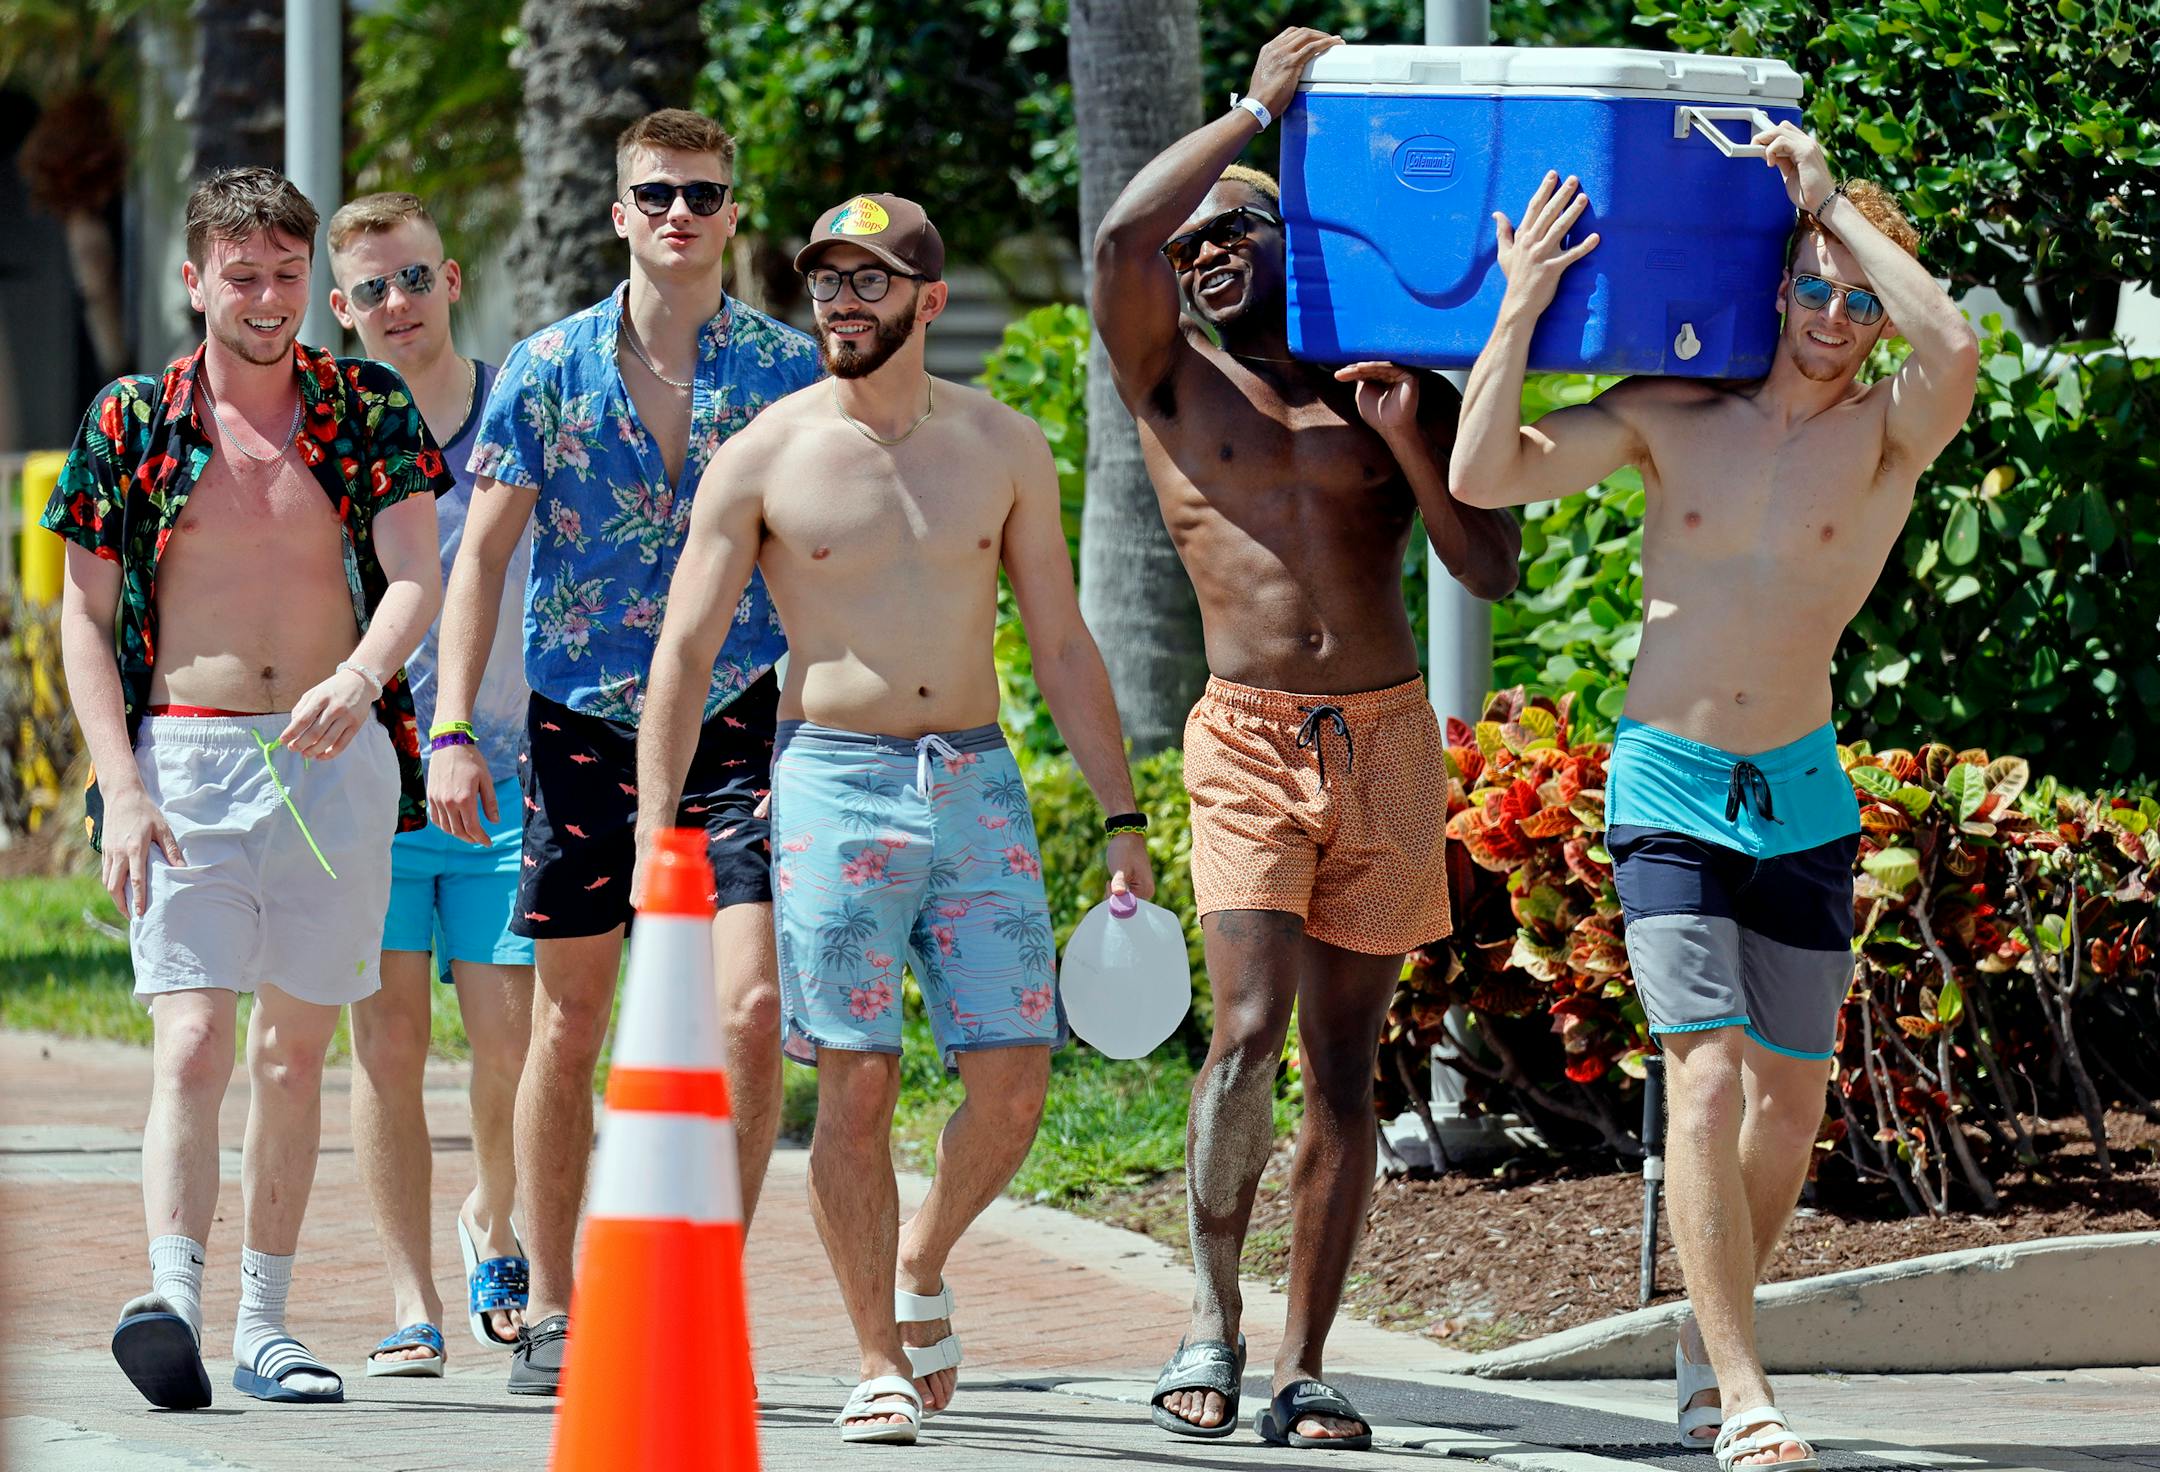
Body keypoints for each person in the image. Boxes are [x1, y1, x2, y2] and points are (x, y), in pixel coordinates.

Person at [1447, 127, 1977, 1468]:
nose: (1836, 319)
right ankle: (1744, 1392)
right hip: (1668, 779)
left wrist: (1833, 212)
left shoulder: (1887, 437)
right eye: (1814, 286)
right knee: (1707, 1078)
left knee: (1790, 1107)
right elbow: (1483, 473)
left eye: (1859, 298)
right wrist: (1515, 308)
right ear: (1773, 285)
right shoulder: (1672, 414)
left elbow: (1955, 348)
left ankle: (1708, 1329)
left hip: (1802, 790)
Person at [636, 191, 1156, 1445]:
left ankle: (920, 1259)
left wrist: (1124, 814)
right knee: (857, 1085)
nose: (841, 302)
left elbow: (1065, 640)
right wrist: (663, 829)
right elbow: (685, 647)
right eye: (827, 280)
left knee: (1017, 1079)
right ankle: (874, 1350)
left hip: (976, 780)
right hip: (832, 780)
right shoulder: (763, 453)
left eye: (870, 282)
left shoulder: (1003, 447)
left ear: (928, 301)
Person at [1090, 26, 1522, 1450]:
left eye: (1239, 234)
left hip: (1388, 738)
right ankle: (1208, 1320)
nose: (1206, 255)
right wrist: (1248, 117)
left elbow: (1490, 567)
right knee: (1245, 1036)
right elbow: (1119, 235)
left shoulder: (1392, 373)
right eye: (1195, 244)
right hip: (1251, 738)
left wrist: (1403, 433)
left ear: (1297, 243)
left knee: (1347, 1066)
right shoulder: (1172, 384)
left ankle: (1305, 1360)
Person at [429, 107, 821, 1396]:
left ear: (730, 213)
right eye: (655, 193)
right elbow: (479, 556)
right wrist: (446, 727)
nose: (678, 215)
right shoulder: (546, 367)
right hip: (581, 724)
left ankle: (703, 1287)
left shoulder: (783, 367)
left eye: (702, 195)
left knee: (751, 1013)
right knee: (573, 1017)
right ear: (618, 211)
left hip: (741, 717)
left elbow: (824, 546)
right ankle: (553, 1303)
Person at [44, 166, 447, 1408]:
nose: (268, 300)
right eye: (243, 276)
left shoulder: (363, 403)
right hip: (189, 758)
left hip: (332, 759)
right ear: (194, 279)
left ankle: (265, 1325)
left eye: (286, 275)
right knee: (194, 1037)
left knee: (291, 1054)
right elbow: (84, 612)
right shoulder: (133, 418)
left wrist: (365, 672)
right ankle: (172, 1297)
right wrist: (121, 784)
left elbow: (417, 572)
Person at [325, 190, 536, 1375]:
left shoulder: (523, 411)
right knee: (389, 1045)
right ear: (344, 312)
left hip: (510, 785)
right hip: (367, 791)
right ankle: (412, 1298)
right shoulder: (328, 430)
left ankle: (493, 1221)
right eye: (370, 291)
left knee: (512, 1038)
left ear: (451, 278)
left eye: (412, 278)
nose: (396, 304)